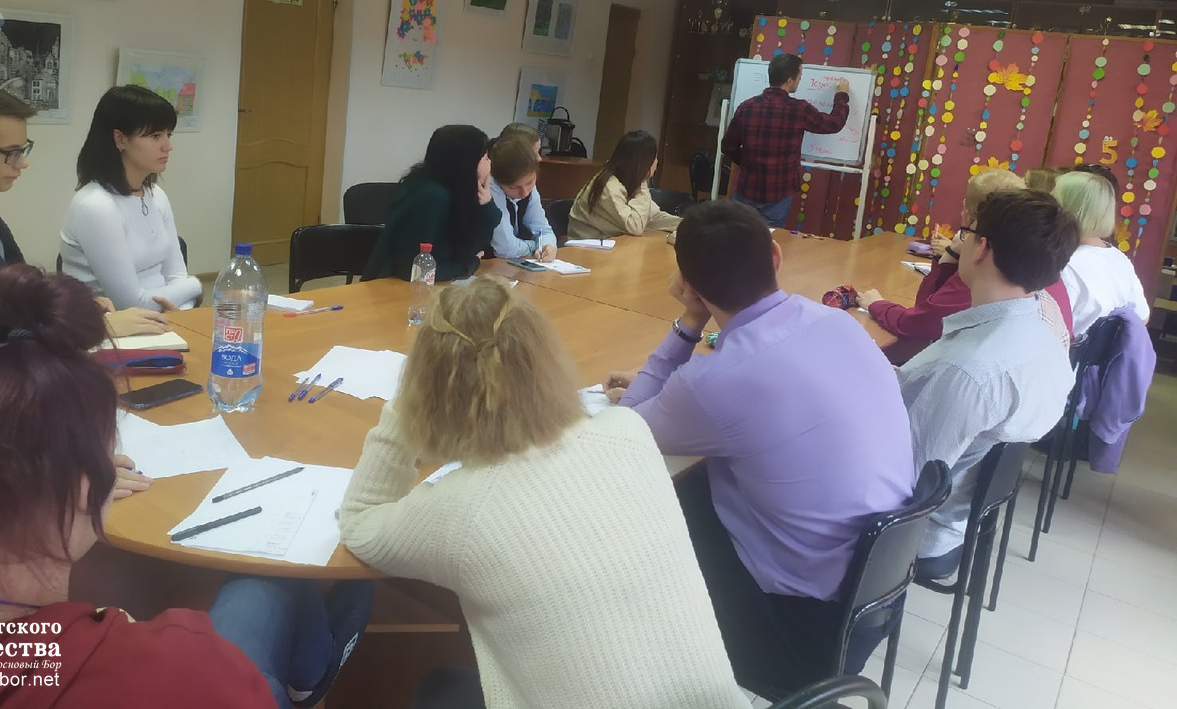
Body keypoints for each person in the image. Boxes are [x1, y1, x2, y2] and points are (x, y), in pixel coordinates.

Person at [0, 264, 371, 709]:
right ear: (84, 487)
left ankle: (309, 667)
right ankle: (311, 669)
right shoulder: (178, 671)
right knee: (268, 576)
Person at [339, 276, 751, 709]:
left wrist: (403, 408)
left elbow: (360, 520)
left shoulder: (460, 508)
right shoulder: (628, 431)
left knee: (441, 688)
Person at [605, 200, 914, 695]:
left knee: (642, 508)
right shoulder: (837, 323)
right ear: (776, 256)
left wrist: (688, 322)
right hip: (877, 590)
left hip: (796, 627)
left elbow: (625, 430)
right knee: (706, 477)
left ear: (689, 285)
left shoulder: (714, 383)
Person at [0, 78, 167, 390]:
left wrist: (79, 304)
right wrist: (94, 325)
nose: (23, 163)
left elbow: (20, 294)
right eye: (10, 152)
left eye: (23, 149)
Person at [898, 190, 1079, 577]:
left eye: (966, 234)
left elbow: (903, 481)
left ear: (981, 247)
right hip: (965, 516)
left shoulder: (964, 372)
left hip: (913, 534)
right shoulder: (1044, 327)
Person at [857, 169, 1074, 363]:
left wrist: (876, 304)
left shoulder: (990, 273)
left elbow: (919, 322)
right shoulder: (1041, 264)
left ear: (970, 219)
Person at [60, 85, 201, 311]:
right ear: (120, 139)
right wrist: (196, 285)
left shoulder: (156, 195)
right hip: (112, 326)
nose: (168, 146)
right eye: (155, 136)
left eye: (168, 135)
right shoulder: (95, 205)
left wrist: (181, 312)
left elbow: (176, 276)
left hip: (167, 317)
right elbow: (131, 304)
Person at [720, 53, 850, 227]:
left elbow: (728, 146)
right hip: (778, 194)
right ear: (789, 80)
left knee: (737, 236)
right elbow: (833, 124)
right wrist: (841, 95)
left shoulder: (746, 107)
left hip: (746, 191)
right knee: (768, 240)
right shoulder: (798, 109)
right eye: (800, 76)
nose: (800, 80)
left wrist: (750, 162)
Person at [363, 125, 501, 283]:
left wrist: (487, 204)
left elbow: (474, 246)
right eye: (485, 158)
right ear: (466, 164)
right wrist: (468, 265)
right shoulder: (432, 197)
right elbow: (415, 269)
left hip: (432, 285)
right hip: (392, 286)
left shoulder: (457, 192)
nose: (490, 163)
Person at [1053, 171, 1148, 336]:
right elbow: (1142, 317)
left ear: (1068, 209)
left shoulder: (1065, 265)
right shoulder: (1119, 258)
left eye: (1052, 201)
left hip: (1066, 349)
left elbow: (1049, 328)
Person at [567, 130, 679, 239]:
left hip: (611, 245)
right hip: (585, 248)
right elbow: (635, 226)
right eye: (654, 158)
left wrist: (684, 226)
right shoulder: (608, 187)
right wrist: (642, 180)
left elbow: (653, 217)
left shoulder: (627, 181)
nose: (656, 162)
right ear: (643, 163)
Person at [486, 134, 557, 261]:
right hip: (488, 263)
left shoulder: (528, 188)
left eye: (530, 182)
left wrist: (548, 245)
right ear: (498, 181)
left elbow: (543, 230)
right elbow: (506, 249)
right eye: (514, 187)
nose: (524, 193)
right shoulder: (491, 189)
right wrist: (534, 246)